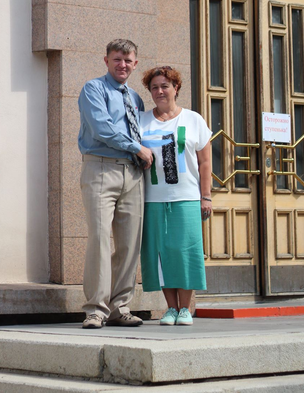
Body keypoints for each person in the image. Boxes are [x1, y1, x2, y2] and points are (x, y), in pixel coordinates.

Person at [78, 39, 153, 329]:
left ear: (135, 64)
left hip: (133, 174)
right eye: (117, 59)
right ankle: (95, 310)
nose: (123, 64)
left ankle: (119, 306)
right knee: (98, 238)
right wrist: (136, 148)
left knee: (129, 244)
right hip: (101, 168)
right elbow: (102, 127)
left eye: (128, 60)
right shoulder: (93, 89)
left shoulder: (135, 97)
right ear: (106, 61)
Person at [140, 66, 212, 326]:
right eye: (155, 87)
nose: (160, 91)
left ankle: (185, 309)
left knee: (185, 251)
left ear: (176, 88)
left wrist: (206, 197)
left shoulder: (193, 120)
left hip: (187, 197)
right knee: (161, 253)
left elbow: (205, 163)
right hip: (153, 199)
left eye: (165, 86)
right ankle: (170, 308)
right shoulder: (142, 120)